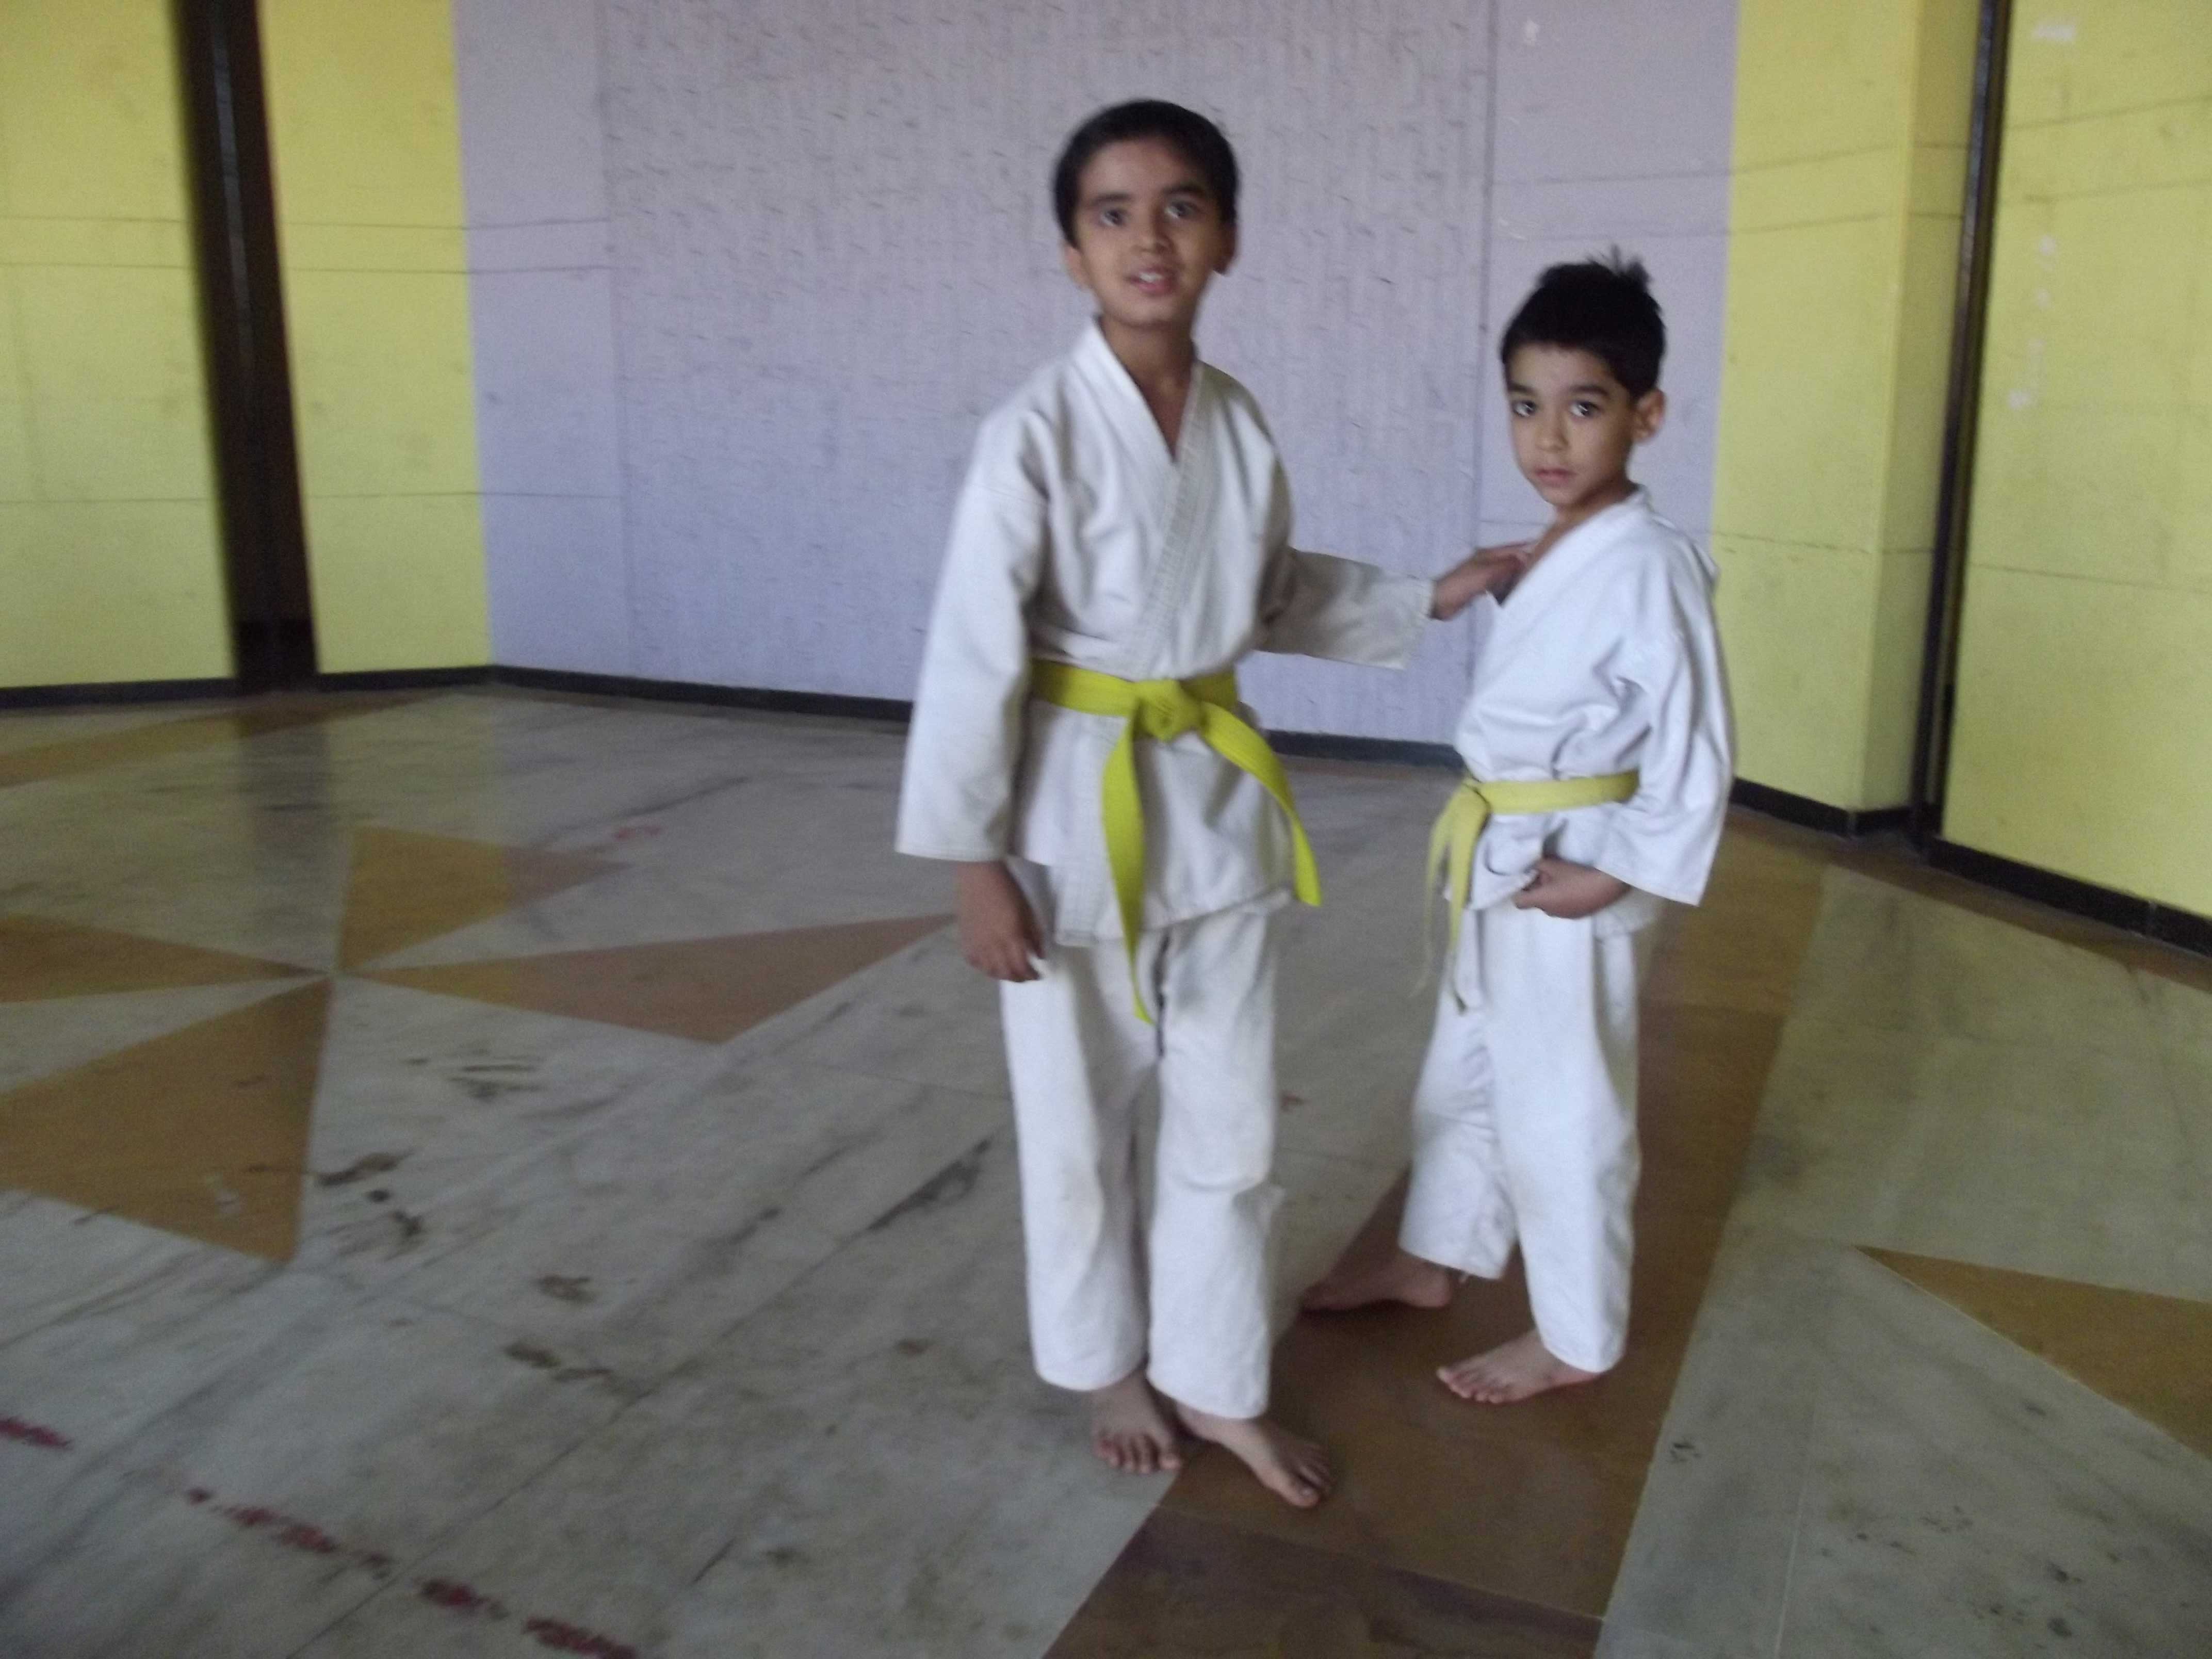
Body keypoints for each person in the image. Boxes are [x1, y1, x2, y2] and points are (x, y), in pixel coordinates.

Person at [895, 100, 1516, 1505]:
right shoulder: (1034, 430)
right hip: (1068, 821)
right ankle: (1107, 1367)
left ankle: (1216, 1380)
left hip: (1217, 820)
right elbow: (972, 647)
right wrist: (972, 860)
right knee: (1077, 1127)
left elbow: (1267, 589)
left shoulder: (1235, 419)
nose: (1148, 238)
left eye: (1180, 207)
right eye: (1111, 213)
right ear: (1072, 252)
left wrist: (1425, 595)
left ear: (1226, 236)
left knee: (1231, 1128)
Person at [1304, 254, 1733, 1405]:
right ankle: (1430, 1258)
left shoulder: (1651, 564)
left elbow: (1694, 742)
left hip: (1576, 866)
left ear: (1646, 416)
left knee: (1565, 1107)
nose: (1547, 437)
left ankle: (1577, 1336)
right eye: (1524, 405)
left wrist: (1617, 871)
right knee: (1465, 1068)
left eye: (1583, 408)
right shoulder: (1556, 552)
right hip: (1505, 854)